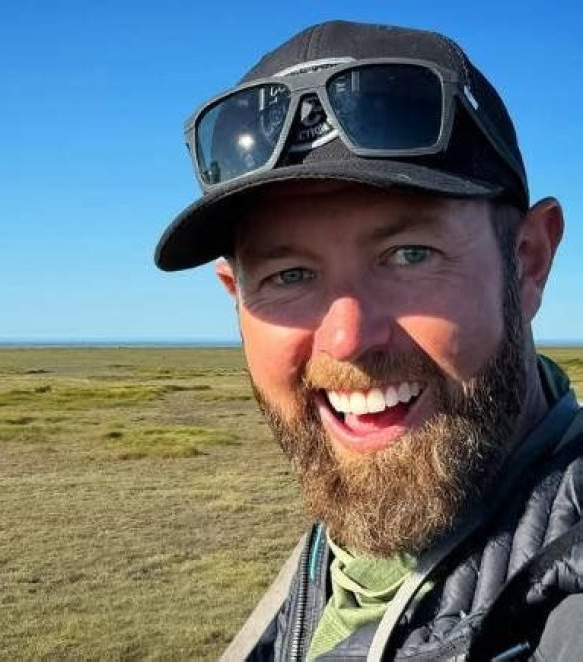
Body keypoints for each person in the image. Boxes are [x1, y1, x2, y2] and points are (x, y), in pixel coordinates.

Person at [155, 19, 583, 661]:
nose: (347, 339)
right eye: (288, 275)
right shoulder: (333, 563)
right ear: (235, 296)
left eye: (410, 254)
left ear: (527, 261)